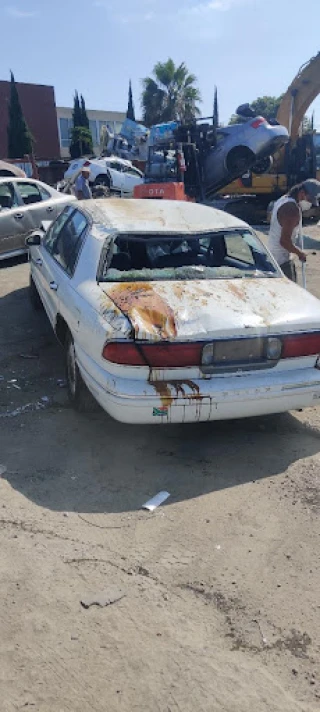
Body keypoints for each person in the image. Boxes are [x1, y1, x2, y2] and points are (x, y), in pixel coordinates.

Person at [268, 179, 320, 281]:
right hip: (282, 261)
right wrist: (300, 253)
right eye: (309, 200)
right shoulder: (292, 210)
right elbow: (284, 241)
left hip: (273, 256)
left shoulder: (283, 199)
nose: (310, 204)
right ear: (302, 193)